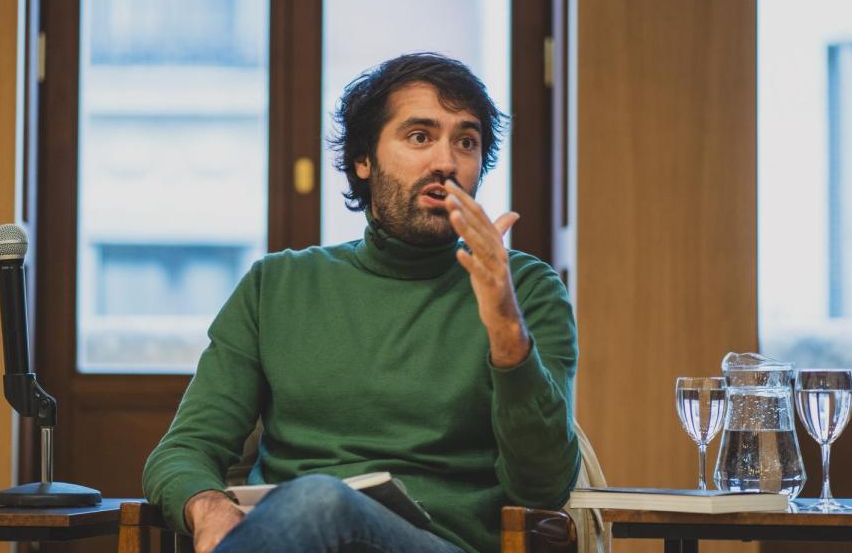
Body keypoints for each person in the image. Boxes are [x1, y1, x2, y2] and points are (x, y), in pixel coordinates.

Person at [142, 53, 581, 553]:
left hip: (443, 544)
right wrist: (209, 506)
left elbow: (545, 486)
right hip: (293, 539)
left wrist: (505, 326)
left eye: (467, 141)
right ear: (363, 160)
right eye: (420, 136)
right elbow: (184, 449)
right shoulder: (278, 284)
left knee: (322, 503)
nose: (446, 161)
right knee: (314, 506)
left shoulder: (525, 288)